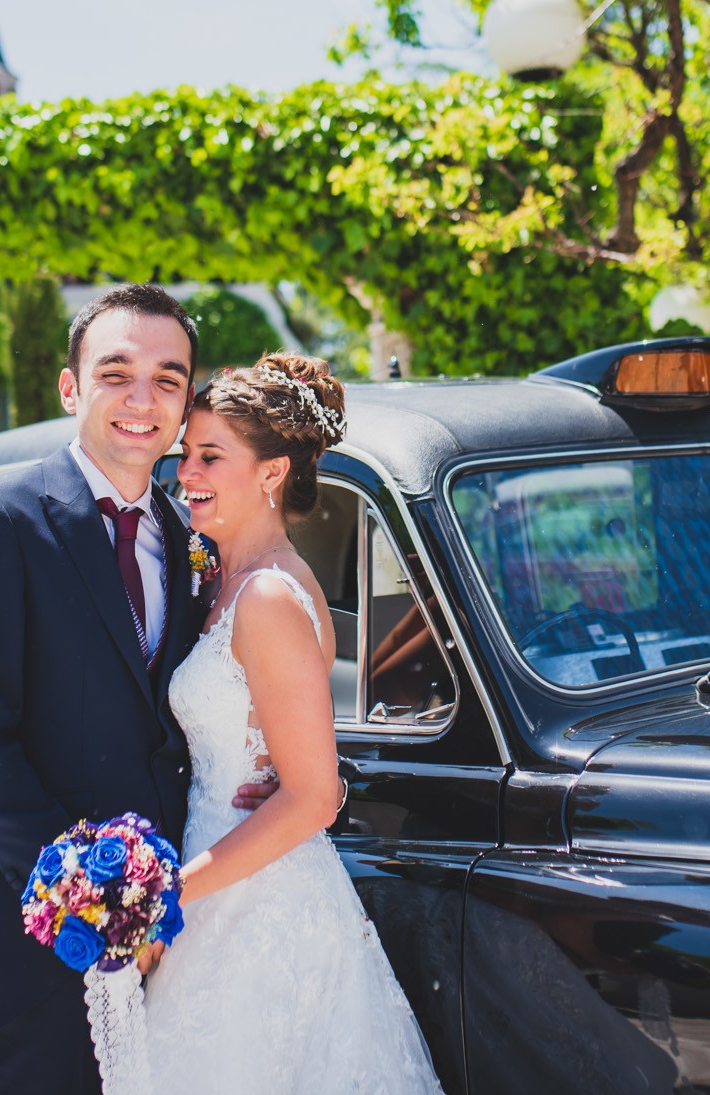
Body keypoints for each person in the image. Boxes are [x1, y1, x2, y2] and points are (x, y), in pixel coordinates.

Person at [0, 284, 274, 1093]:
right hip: (47, 935)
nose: (142, 400)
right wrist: (94, 894)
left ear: (186, 402)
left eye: (169, 379)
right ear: (71, 387)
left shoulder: (193, 534)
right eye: (117, 373)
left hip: (180, 934)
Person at [141, 354, 445, 1094]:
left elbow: (313, 794)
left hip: (255, 902)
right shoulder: (224, 580)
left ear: (273, 472)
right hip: (222, 877)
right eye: (187, 454)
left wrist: (171, 895)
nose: (187, 473)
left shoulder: (270, 596)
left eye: (211, 455)